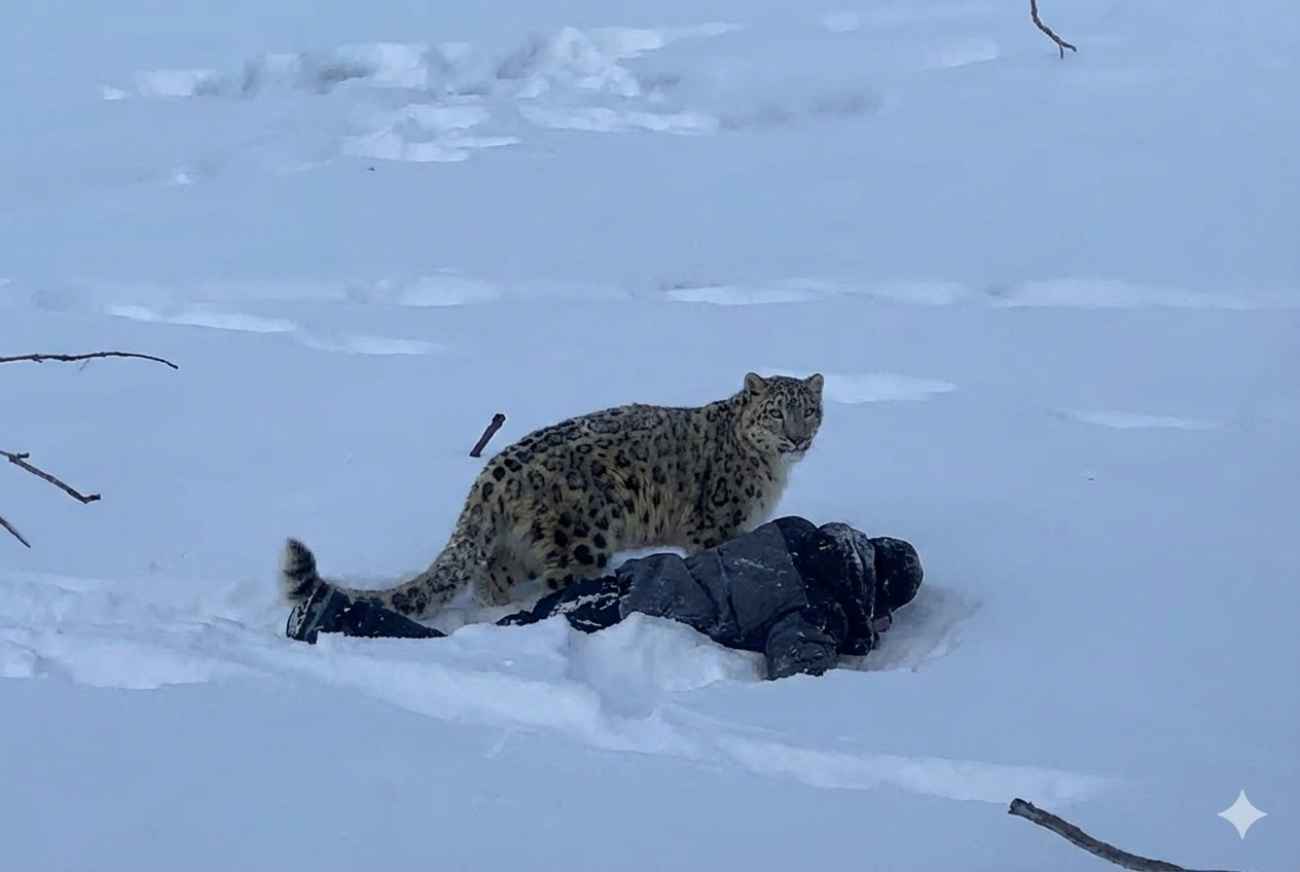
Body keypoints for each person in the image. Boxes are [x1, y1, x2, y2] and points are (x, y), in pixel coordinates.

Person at [285, 516, 923, 680]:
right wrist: (851, 636)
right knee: (462, 659)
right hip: (617, 625)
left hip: (614, 590)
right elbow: (796, 673)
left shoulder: (795, 536)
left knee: (476, 648)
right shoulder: (818, 608)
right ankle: (338, 620)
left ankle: (340, 619)